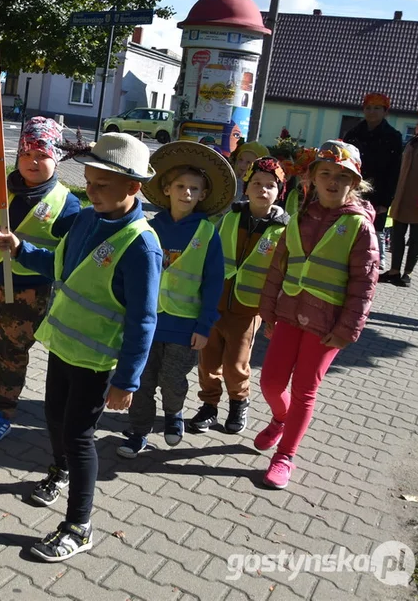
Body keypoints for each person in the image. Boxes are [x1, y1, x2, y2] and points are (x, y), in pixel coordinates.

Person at [0, 133, 162, 563]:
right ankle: (59, 470)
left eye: (104, 185)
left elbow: (144, 319)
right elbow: (61, 265)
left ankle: (79, 526)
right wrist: (21, 249)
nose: (94, 191)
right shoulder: (86, 219)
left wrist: (127, 380)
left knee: (79, 435)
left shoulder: (142, 245)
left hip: (97, 359)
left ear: (134, 187)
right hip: (63, 344)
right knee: (53, 418)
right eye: (89, 181)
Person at [257, 140, 377, 490]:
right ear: (311, 178)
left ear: (354, 184)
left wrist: (347, 331)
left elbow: (364, 285)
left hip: (327, 326)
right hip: (289, 313)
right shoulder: (299, 218)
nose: (333, 181)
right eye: (325, 173)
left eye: (343, 176)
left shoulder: (360, 227)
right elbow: (278, 268)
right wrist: (267, 312)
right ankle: (282, 418)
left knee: (305, 390)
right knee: (271, 382)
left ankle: (285, 456)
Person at [0, 117, 80, 442]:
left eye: (41, 155)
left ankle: (3, 407)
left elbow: (68, 260)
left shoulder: (67, 205)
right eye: (26, 154)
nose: (32, 162)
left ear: (58, 158)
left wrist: (23, 248)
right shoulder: (5, 192)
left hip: (31, 290)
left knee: (13, 348)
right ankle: (9, 378)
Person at [119, 142, 232, 458]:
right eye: (180, 186)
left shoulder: (207, 233)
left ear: (202, 195)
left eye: (194, 189)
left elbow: (213, 283)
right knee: (141, 381)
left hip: (185, 327)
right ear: (166, 189)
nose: (186, 193)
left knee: (172, 380)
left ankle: (173, 414)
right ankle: (137, 432)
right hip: (148, 322)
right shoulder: (150, 228)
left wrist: (205, 325)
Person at [189, 157, 289, 435]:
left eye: (270, 185)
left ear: (279, 192)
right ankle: (209, 407)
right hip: (214, 303)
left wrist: (273, 313)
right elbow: (209, 254)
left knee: (235, 365)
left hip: (248, 309)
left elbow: (282, 274)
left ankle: (238, 402)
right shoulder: (230, 217)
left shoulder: (283, 230)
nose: (262, 190)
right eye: (256, 183)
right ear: (246, 188)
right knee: (208, 361)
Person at [343, 93, 403, 259]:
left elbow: (395, 171)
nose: (372, 112)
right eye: (368, 108)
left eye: (377, 108)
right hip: (353, 189)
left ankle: (373, 263)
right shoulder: (353, 134)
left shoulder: (393, 137)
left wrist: (386, 202)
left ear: (386, 112)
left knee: (373, 233)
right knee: (349, 227)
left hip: (378, 192)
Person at [382, 106, 418, 288]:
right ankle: (394, 271)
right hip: (403, 195)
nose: (417, 125)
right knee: (397, 234)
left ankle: (407, 273)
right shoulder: (413, 143)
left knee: (416, 237)